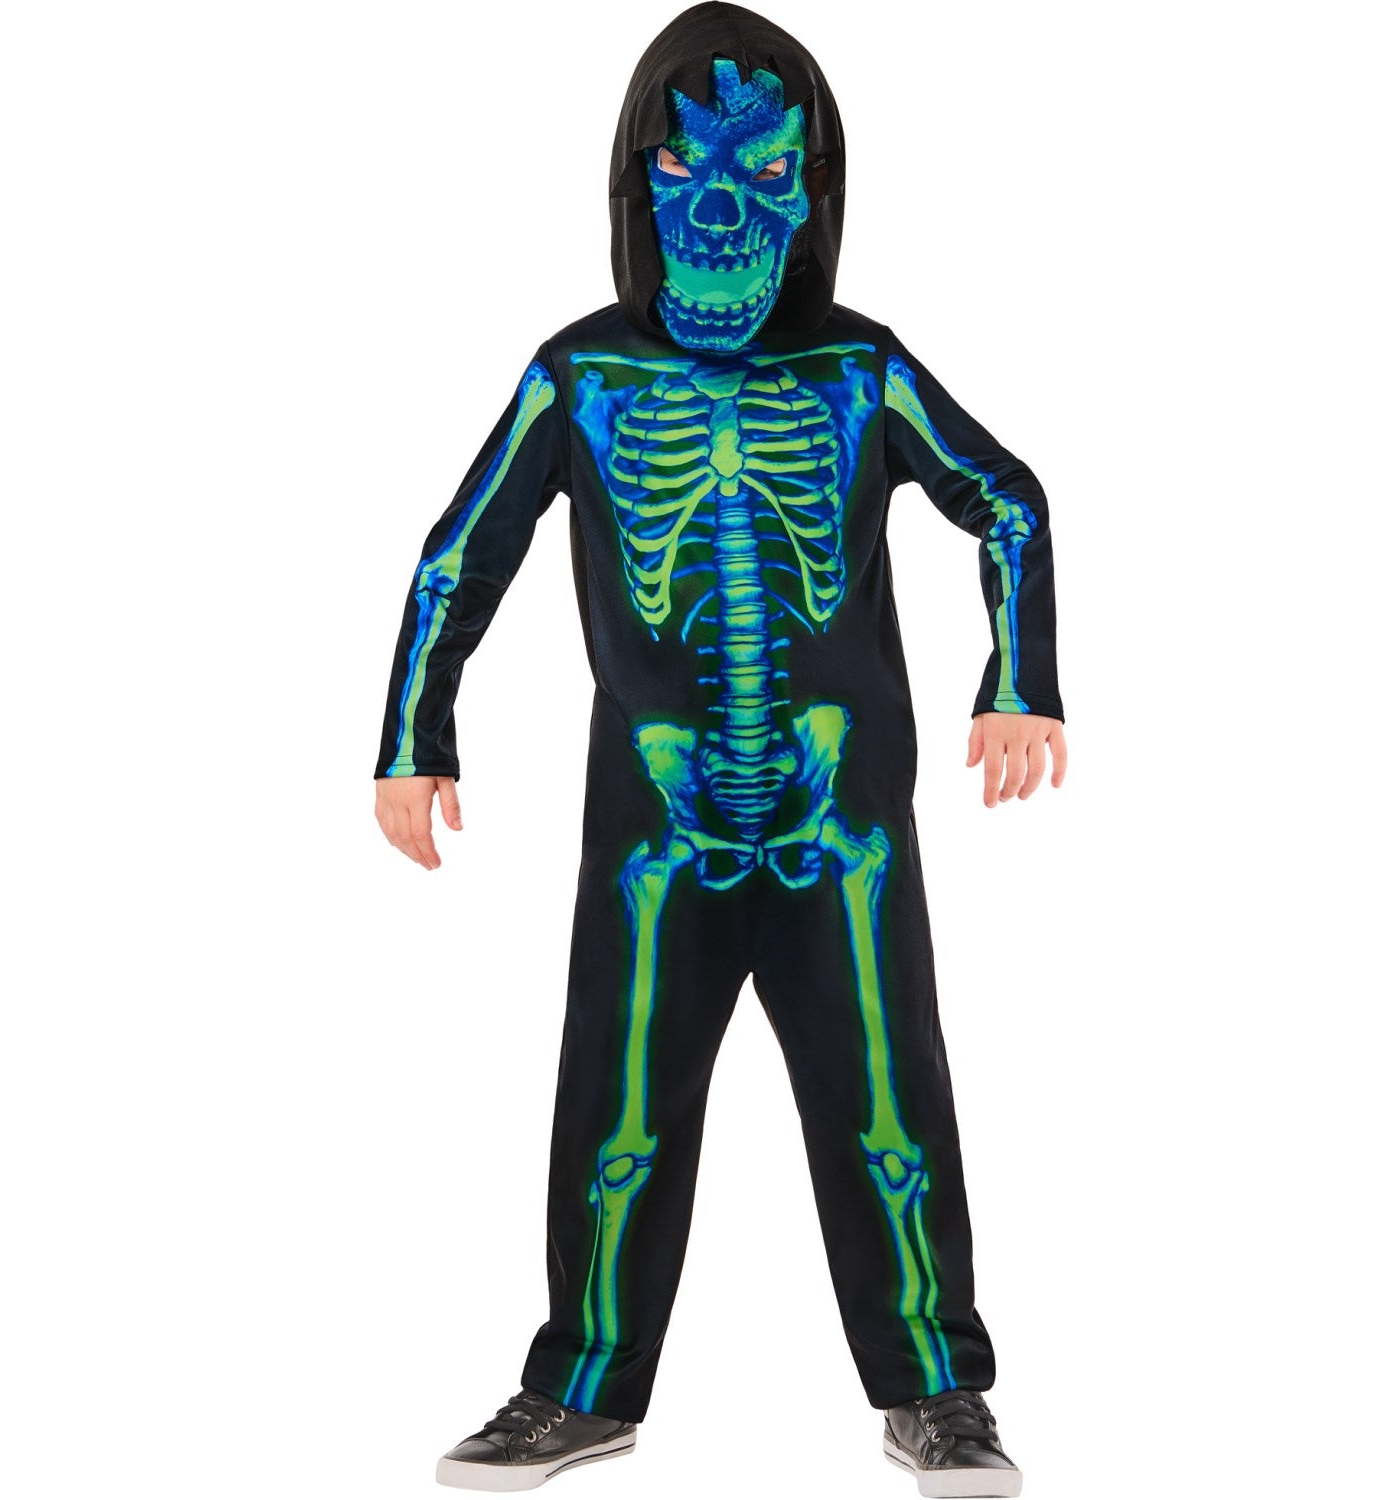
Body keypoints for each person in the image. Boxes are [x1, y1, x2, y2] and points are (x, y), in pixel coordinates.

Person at [372, 5, 1066, 1495]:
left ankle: (939, 1392)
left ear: (813, 195)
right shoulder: (580, 373)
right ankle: (581, 1389)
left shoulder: (859, 366)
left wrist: (1022, 680)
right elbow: (458, 555)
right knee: (616, 1109)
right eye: (687, 177)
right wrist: (412, 735)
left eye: (766, 180)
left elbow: (1006, 499)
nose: (724, 218)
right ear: (640, 187)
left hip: (840, 818)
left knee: (888, 1103)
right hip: (657, 829)